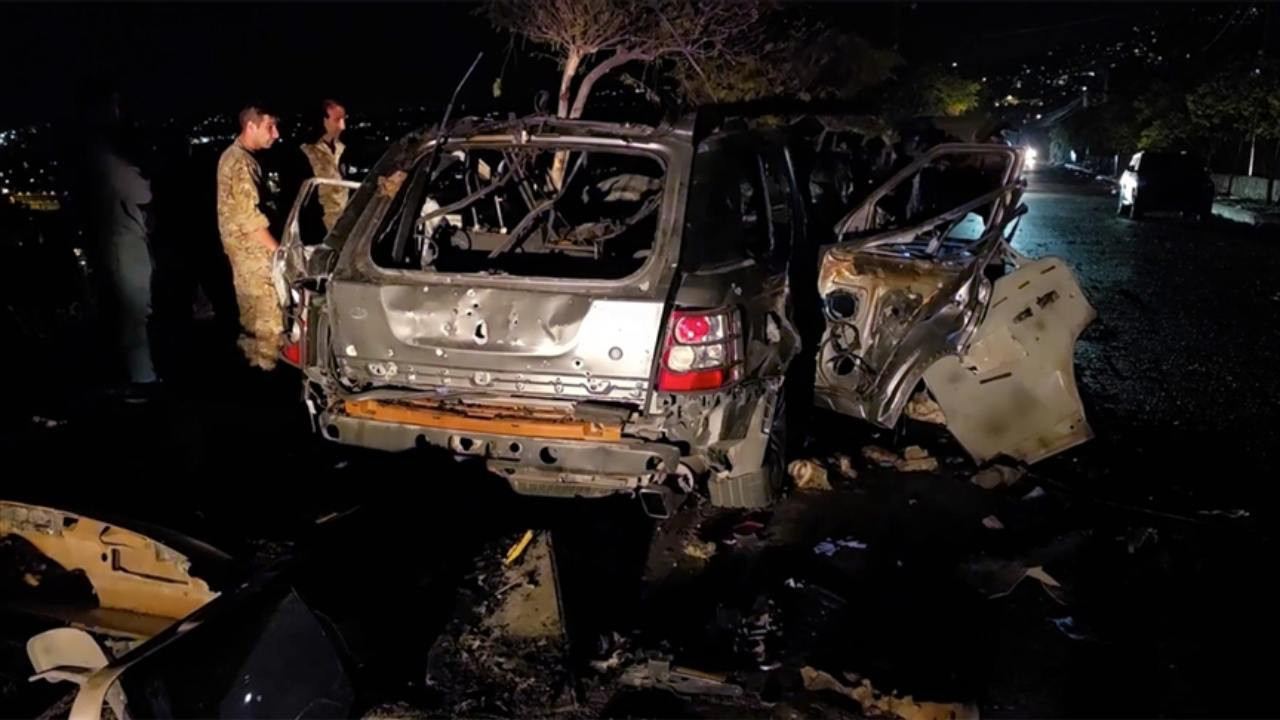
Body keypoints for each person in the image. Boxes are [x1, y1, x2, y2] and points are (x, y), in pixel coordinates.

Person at [216, 104, 282, 371]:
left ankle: (253, 373)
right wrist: (279, 252)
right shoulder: (241, 162)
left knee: (251, 322)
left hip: (245, 258)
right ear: (251, 126)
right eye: (270, 127)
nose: (276, 134)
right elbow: (251, 220)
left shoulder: (236, 157)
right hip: (255, 258)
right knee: (268, 324)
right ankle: (266, 374)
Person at [299, 99, 348, 232]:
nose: (342, 126)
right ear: (323, 121)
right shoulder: (305, 154)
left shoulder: (343, 150)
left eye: (344, 119)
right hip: (319, 231)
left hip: (345, 227)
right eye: (337, 120)